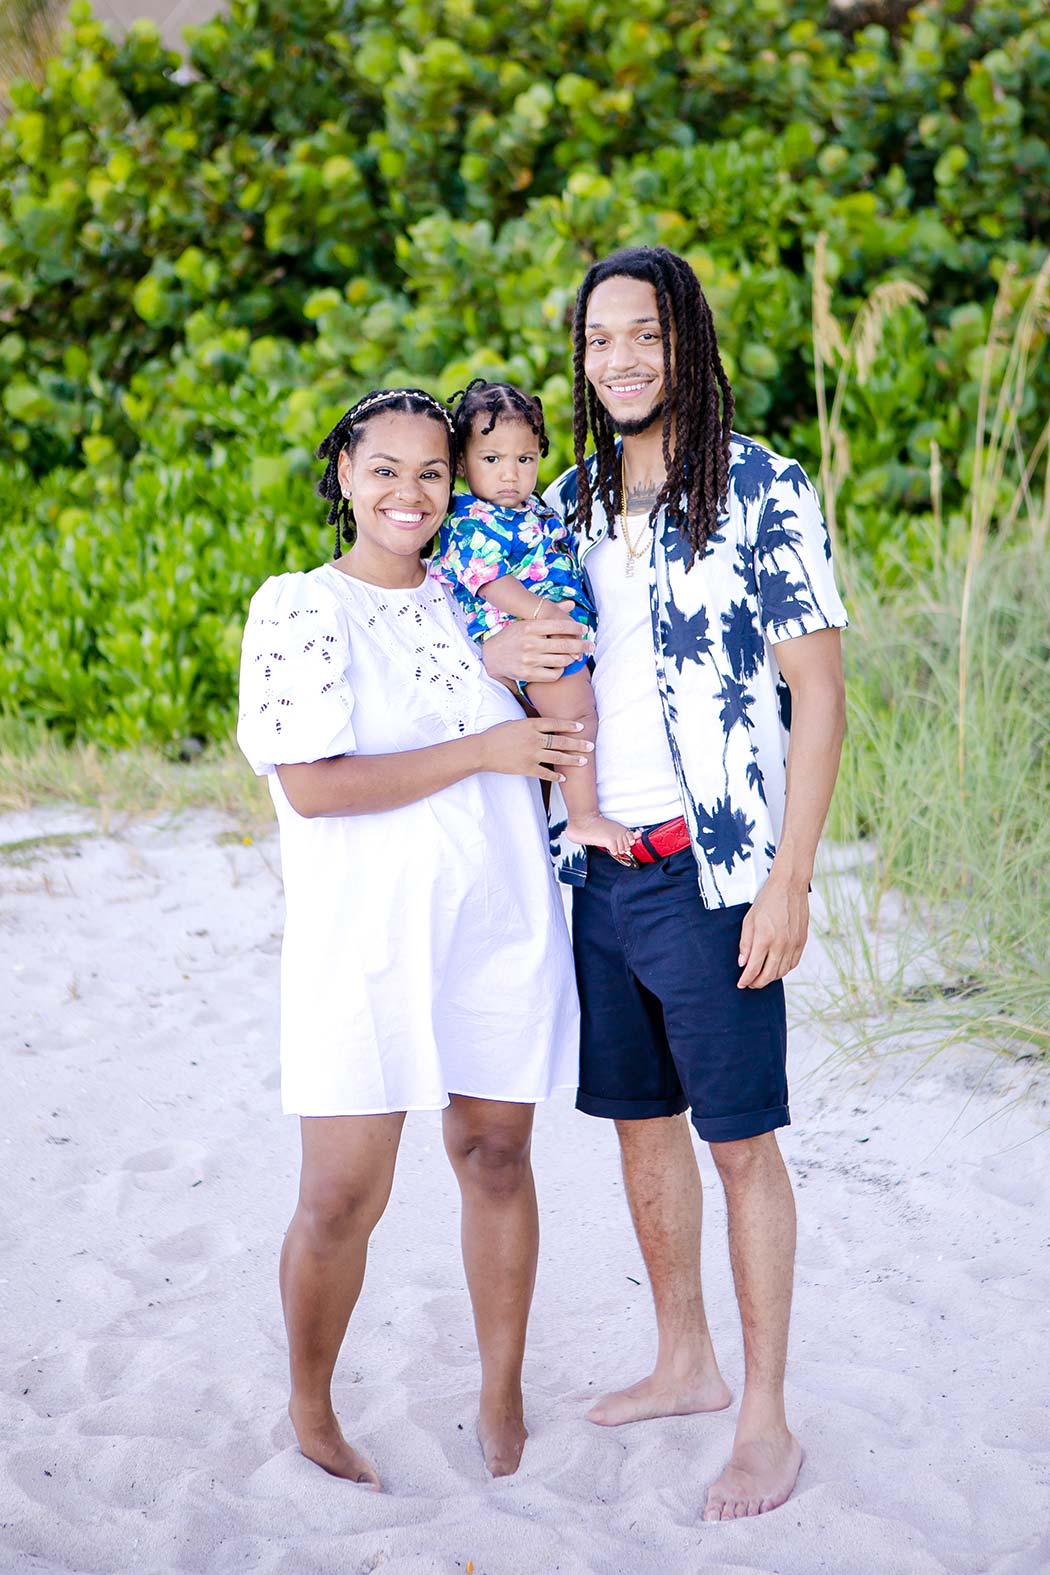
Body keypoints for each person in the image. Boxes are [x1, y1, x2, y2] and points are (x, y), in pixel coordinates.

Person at [482, 247, 848, 1521]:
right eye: (599, 340)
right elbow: (517, 649)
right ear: (581, 357)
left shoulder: (761, 487)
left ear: (685, 342)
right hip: (601, 869)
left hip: (717, 869)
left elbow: (821, 692)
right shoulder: (569, 498)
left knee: (739, 1145)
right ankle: (684, 1361)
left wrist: (790, 879)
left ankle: (765, 1416)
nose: (621, 359)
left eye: (645, 335)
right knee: (642, 1130)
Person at [236, 386, 588, 1488]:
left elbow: (573, 688)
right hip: (366, 941)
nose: (409, 491)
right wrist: (486, 752)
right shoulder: (300, 606)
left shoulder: (475, 597)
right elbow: (315, 787)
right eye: (383, 467)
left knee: (496, 1155)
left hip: (495, 920)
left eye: (431, 472)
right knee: (342, 1193)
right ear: (343, 472)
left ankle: (499, 1394)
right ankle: (311, 1408)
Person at [436, 378, 630, 856]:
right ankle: (584, 818)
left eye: (524, 459)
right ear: (462, 463)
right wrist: (543, 611)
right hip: (529, 641)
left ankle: (542, 825)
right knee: (576, 718)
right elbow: (488, 579)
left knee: (558, 731)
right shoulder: (468, 518)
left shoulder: (535, 509)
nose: (510, 474)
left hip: (549, 637)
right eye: (492, 459)